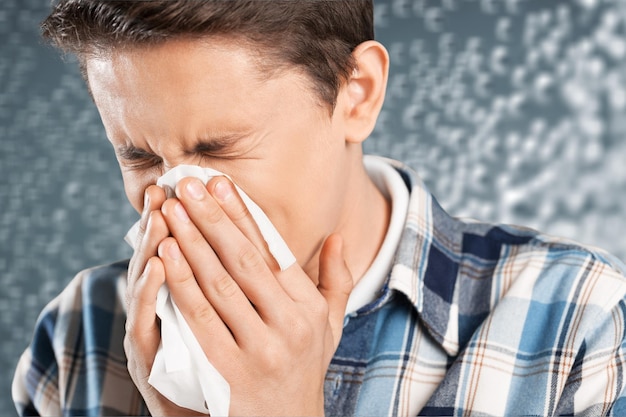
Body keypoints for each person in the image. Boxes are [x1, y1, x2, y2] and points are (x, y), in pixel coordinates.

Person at [12, 1, 626, 415]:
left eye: (217, 150)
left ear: (356, 96)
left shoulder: (577, 322)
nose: (180, 201)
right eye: (141, 158)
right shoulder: (80, 335)